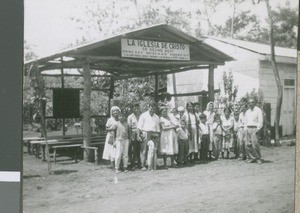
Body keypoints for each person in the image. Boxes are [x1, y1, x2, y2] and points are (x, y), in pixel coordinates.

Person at [137, 102, 160, 171]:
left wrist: (158, 136)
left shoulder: (156, 117)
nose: (152, 110)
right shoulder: (143, 115)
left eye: (153, 109)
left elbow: (158, 128)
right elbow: (139, 127)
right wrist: (138, 135)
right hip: (145, 133)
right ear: (148, 107)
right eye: (151, 108)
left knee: (153, 150)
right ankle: (143, 165)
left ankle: (152, 165)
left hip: (154, 134)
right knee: (144, 150)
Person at [244, 99, 263, 164]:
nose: (250, 104)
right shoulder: (247, 111)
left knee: (255, 144)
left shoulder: (258, 110)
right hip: (248, 128)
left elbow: (260, 120)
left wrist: (258, 129)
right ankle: (252, 158)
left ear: (254, 103)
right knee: (248, 145)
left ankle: (258, 158)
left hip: (255, 129)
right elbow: (245, 121)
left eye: (252, 102)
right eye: (249, 103)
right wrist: (245, 129)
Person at [127, 103, 141, 169]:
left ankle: (139, 163)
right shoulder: (130, 117)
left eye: (137, 108)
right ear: (133, 109)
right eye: (135, 108)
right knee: (132, 149)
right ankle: (132, 163)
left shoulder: (141, 116)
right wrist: (130, 136)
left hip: (139, 133)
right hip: (133, 133)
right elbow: (129, 127)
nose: (136, 110)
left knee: (138, 149)